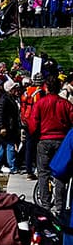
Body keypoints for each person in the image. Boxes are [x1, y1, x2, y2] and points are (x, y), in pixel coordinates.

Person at [29, 76, 73, 216]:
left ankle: (45, 206)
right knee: (60, 173)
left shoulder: (40, 103)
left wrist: (35, 136)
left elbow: (33, 124)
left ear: (46, 87)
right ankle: (59, 206)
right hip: (61, 141)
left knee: (43, 174)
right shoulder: (65, 104)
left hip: (44, 140)